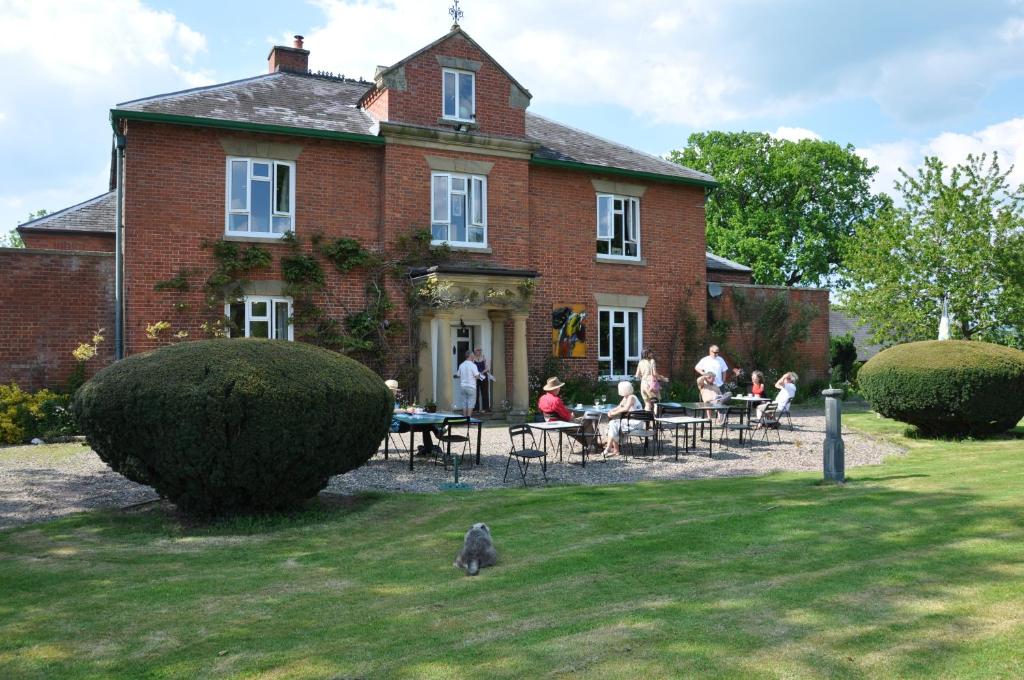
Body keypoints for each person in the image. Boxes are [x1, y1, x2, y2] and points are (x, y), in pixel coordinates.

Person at [538, 377, 599, 449]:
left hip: (549, 423)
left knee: (583, 420)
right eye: (559, 387)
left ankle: (592, 445)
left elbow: (542, 410)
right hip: (560, 424)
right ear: (555, 389)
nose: (560, 389)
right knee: (588, 420)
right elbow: (568, 417)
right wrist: (572, 415)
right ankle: (592, 446)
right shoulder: (556, 400)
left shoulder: (542, 398)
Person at [603, 381, 644, 456]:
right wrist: (611, 411)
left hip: (635, 423)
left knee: (613, 424)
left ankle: (610, 448)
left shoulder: (631, 397)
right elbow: (620, 406)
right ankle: (614, 449)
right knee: (613, 424)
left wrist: (614, 413)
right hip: (630, 421)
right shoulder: (626, 397)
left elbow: (625, 408)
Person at [635, 347, 666, 412]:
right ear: (647, 354)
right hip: (651, 384)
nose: (652, 354)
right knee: (656, 403)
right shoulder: (652, 361)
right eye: (650, 352)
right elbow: (654, 373)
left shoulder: (640, 362)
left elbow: (637, 375)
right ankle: (656, 419)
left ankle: (647, 420)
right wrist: (662, 378)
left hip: (643, 384)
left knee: (647, 404)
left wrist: (643, 377)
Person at [457, 350, 481, 418]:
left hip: (463, 386)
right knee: (471, 403)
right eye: (473, 355)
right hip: (471, 386)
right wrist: (479, 375)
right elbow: (477, 376)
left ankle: (464, 418)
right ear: (470, 356)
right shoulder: (473, 365)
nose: (474, 357)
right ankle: (468, 418)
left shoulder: (461, 365)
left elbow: (458, 375)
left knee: (464, 403)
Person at [473, 347, 491, 413]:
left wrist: (482, 372)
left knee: (484, 392)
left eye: (480, 350)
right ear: (475, 351)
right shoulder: (473, 359)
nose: (479, 351)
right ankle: (476, 408)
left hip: (483, 376)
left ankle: (485, 408)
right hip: (476, 376)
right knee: (476, 392)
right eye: (477, 350)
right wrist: (476, 373)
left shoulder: (484, 358)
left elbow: (488, 368)